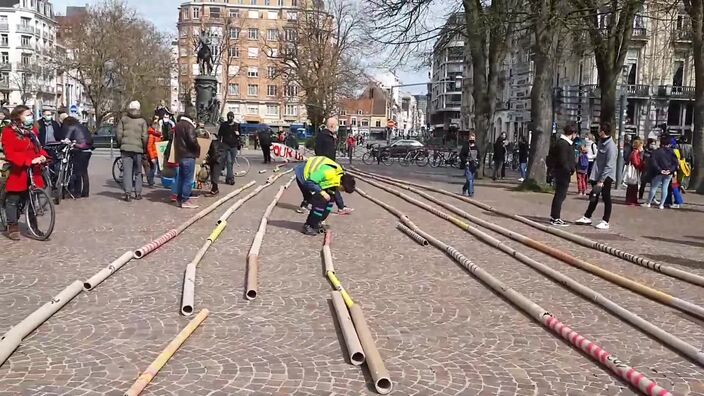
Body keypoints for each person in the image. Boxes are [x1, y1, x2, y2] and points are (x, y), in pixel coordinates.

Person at [1, 105, 48, 240]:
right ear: (18, 116)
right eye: (27, 115)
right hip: (18, 170)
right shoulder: (8, 131)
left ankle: (33, 227)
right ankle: (13, 227)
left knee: (33, 198)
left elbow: (38, 148)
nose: (30, 117)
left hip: (34, 171)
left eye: (31, 115)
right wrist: (28, 161)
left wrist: (43, 156)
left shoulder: (32, 131)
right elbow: (10, 153)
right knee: (13, 199)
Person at [294, 156, 356, 235]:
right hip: (304, 175)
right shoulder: (328, 173)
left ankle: (317, 222)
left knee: (330, 200)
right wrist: (322, 192)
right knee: (320, 200)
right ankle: (309, 225)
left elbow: (332, 192)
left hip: (316, 180)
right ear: (341, 183)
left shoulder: (339, 175)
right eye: (343, 189)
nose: (342, 191)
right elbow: (310, 182)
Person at [575, 122, 617, 230]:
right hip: (597, 174)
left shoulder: (611, 147)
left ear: (603, 132)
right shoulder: (601, 142)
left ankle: (605, 221)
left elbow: (609, 165)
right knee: (594, 196)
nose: (597, 132)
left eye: (599, 130)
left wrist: (602, 180)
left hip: (606, 176)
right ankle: (587, 216)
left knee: (606, 197)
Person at [315, 117, 353, 214]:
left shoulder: (329, 135)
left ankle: (341, 206)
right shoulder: (323, 136)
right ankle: (340, 207)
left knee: (332, 186)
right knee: (331, 185)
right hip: (326, 165)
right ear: (332, 126)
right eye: (336, 125)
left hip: (330, 164)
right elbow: (319, 150)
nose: (337, 127)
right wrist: (324, 162)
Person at [116, 101, 148, 202]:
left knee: (127, 172)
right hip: (138, 150)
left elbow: (119, 134)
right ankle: (138, 193)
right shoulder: (142, 121)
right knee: (138, 172)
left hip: (126, 149)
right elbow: (145, 136)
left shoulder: (123, 120)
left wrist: (121, 144)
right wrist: (144, 147)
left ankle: (128, 193)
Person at [547, 124, 577, 226]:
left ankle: (554, 216)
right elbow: (563, 160)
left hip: (561, 172)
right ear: (572, 134)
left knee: (559, 195)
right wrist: (569, 170)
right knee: (560, 195)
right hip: (562, 173)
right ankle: (556, 217)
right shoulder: (563, 144)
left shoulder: (563, 143)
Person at [173, 109, 200, 208]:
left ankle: (179, 197)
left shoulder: (178, 125)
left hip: (180, 154)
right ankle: (185, 200)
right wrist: (198, 148)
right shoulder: (189, 126)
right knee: (188, 179)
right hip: (188, 154)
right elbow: (192, 140)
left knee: (181, 178)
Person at [61, 115, 93, 198]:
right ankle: (86, 192)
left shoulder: (71, 127)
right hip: (88, 150)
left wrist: (64, 141)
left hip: (79, 150)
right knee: (84, 172)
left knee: (77, 172)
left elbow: (66, 140)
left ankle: (77, 192)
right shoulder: (82, 126)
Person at [644, 136, 678, 209]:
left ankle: (648, 202)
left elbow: (653, 162)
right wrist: (670, 170)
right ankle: (661, 204)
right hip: (668, 173)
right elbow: (675, 163)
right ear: (669, 144)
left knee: (654, 187)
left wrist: (660, 170)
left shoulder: (656, 152)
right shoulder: (672, 152)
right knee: (664, 188)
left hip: (658, 172)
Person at [217, 112, 241, 185]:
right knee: (229, 162)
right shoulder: (224, 125)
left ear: (233, 117)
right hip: (226, 145)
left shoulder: (237, 125)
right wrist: (219, 143)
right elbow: (219, 135)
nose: (230, 118)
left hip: (234, 146)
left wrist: (238, 136)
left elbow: (240, 135)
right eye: (229, 117)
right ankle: (231, 179)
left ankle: (228, 178)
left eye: (231, 117)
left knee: (231, 163)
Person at [625, 140, 645, 205]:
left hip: (634, 170)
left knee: (632, 186)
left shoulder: (634, 152)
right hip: (634, 171)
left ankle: (632, 200)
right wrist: (641, 165)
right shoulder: (635, 153)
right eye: (641, 146)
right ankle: (631, 200)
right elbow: (636, 163)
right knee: (633, 186)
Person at [146, 121, 162, 187]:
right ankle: (150, 182)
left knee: (155, 168)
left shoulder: (157, 135)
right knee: (153, 168)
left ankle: (151, 181)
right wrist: (152, 157)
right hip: (153, 154)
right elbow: (149, 147)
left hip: (156, 154)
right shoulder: (152, 135)